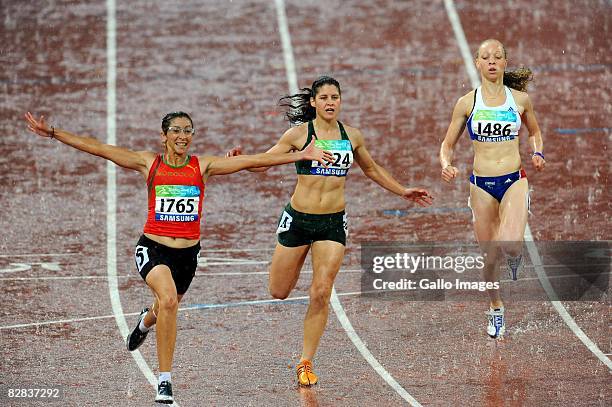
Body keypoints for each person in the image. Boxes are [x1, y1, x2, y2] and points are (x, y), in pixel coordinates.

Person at [24, 111, 332, 404]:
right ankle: (165, 380)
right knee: (169, 300)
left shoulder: (203, 166)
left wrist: (300, 155)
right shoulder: (149, 164)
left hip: (187, 255)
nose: (182, 136)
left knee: (164, 306)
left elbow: (256, 160)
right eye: (176, 130)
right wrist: (53, 132)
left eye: (188, 131)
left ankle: (145, 322)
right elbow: (100, 148)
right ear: (163, 136)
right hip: (153, 248)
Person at [228, 76, 433, 386]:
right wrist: (241, 160)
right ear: (313, 102)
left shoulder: (352, 136)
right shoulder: (299, 135)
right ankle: (295, 266)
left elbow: (372, 169)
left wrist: (402, 191)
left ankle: (305, 361)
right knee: (279, 291)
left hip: (332, 223)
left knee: (321, 291)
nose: (329, 102)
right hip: (298, 220)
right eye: (323, 97)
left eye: (334, 97)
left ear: (340, 100)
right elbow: (266, 163)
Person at [439, 39, 545, 339]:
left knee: (510, 244)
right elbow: (447, 144)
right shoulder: (467, 103)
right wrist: (446, 163)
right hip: (481, 185)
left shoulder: (520, 100)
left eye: (498, 56)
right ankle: (496, 308)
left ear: (505, 62)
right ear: (477, 63)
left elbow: (535, 132)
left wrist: (538, 153)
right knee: (489, 258)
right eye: (486, 57)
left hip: (514, 179)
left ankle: (515, 251)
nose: (492, 61)